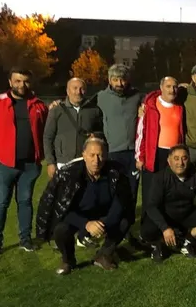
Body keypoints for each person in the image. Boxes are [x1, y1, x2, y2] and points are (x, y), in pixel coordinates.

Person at [0, 68, 48, 257]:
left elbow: (47, 131)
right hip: (4, 165)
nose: (22, 85)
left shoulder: (39, 105)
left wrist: (41, 156)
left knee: (25, 202)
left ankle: (25, 239)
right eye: (17, 81)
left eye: (25, 81)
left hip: (29, 166)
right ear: (10, 82)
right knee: (1, 203)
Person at [36, 137, 132, 275]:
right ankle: (68, 260)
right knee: (61, 229)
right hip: (78, 215)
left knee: (124, 221)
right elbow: (62, 209)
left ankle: (104, 255)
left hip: (103, 214)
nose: (96, 160)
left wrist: (104, 224)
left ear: (106, 156)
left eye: (100, 155)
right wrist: (86, 224)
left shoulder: (116, 172)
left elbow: (120, 203)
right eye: (92, 155)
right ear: (84, 156)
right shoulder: (68, 174)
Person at [141, 145, 196, 263]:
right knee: (147, 230)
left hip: (186, 214)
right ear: (169, 161)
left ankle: (186, 240)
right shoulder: (160, 177)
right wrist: (165, 228)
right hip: (166, 216)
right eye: (176, 158)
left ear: (189, 160)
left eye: (184, 158)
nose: (180, 163)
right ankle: (162, 243)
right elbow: (151, 206)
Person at [96, 64, 143, 212]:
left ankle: (128, 223)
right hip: (112, 152)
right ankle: (113, 222)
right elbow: (83, 106)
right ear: (109, 80)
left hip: (133, 153)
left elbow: (157, 100)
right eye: (115, 80)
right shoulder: (101, 97)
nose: (119, 83)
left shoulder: (137, 96)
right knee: (113, 190)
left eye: (122, 79)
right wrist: (57, 104)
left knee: (132, 190)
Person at [136, 76, 185, 212]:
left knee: (170, 192)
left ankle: (168, 222)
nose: (172, 90)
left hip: (174, 155)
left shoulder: (180, 106)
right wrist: (140, 156)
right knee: (151, 193)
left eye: (174, 87)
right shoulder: (150, 106)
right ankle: (147, 223)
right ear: (161, 87)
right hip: (155, 154)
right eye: (168, 86)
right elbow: (141, 132)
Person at [43, 77, 103, 179]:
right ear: (67, 91)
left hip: (86, 162)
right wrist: (50, 162)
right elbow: (48, 137)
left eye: (81, 89)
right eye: (74, 88)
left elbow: (101, 133)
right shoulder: (56, 111)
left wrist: (96, 135)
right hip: (63, 162)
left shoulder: (94, 110)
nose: (78, 92)